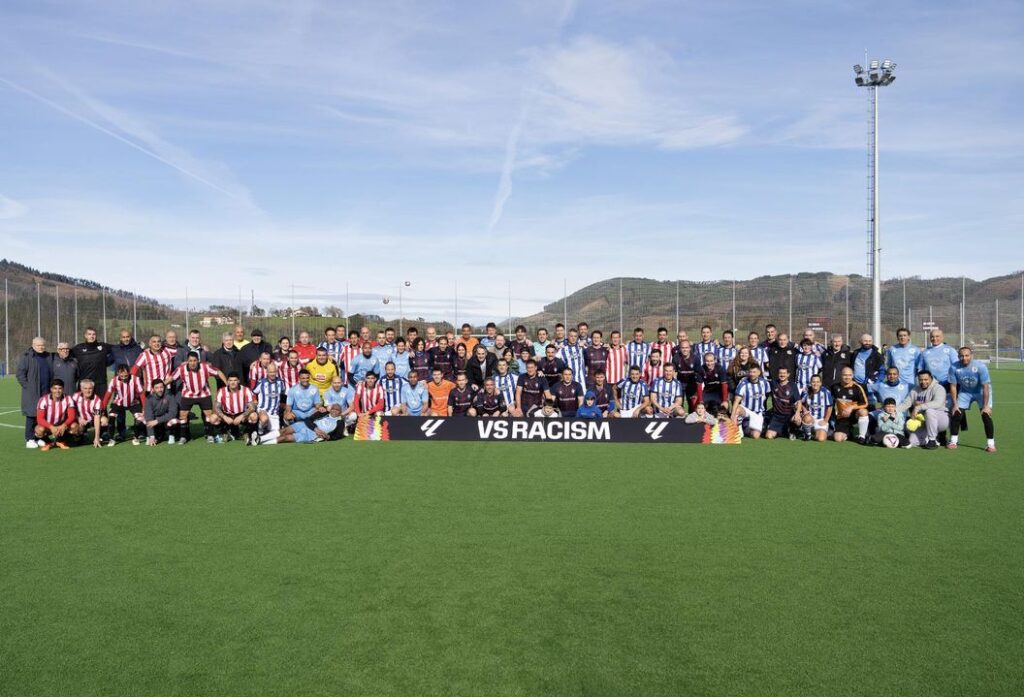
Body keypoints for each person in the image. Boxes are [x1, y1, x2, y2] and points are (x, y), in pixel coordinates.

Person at [172, 351, 227, 444]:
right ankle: (183, 437)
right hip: (188, 395)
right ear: (187, 361)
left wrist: (227, 384)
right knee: (183, 415)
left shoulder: (205, 367)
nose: (192, 363)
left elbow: (218, 372)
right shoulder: (181, 369)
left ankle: (210, 435)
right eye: (190, 361)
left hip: (204, 394)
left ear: (198, 361)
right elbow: (171, 378)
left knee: (209, 415)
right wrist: (162, 384)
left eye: (194, 360)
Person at [948, 346, 995, 452]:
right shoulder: (954, 367)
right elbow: (953, 386)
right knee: (956, 413)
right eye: (961, 356)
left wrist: (986, 406)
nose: (964, 358)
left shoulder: (980, 366)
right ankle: (953, 441)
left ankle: (991, 444)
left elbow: (986, 387)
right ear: (958, 356)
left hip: (981, 392)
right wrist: (955, 404)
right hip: (965, 392)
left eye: (967, 355)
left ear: (971, 356)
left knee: (986, 415)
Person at [17, 337, 53, 448]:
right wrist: (28, 387)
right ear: (33, 345)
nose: (41, 347)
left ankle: (39, 437)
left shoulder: (48, 356)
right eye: (38, 345)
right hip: (32, 392)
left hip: (46, 391)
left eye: (42, 345)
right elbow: (20, 374)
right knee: (31, 415)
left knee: (43, 415)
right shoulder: (27, 357)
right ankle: (30, 438)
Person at [898, 370, 949, 449]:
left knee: (929, 411)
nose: (923, 382)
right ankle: (932, 438)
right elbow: (905, 404)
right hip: (923, 422)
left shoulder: (939, 388)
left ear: (931, 378)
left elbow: (938, 403)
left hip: (941, 420)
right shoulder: (915, 390)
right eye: (921, 380)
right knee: (912, 441)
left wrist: (918, 407)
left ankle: (932, 440)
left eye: (926, 379)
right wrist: (892, 410)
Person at [102, 364, 145, 445]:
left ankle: (136, 437)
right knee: (111, 417)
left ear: (129, 372)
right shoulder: (114, 380)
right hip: (119, 403)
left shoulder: (135, 379)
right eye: (122, 376)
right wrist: (103, 409)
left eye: (126, 375)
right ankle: (111, 439)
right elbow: (108, 395)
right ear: (118, 373)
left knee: (140, 419)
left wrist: (144, 408)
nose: (124, 378)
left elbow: (141, 394)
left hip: (133, 403)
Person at [33, 379, 77, 450]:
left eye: (60, 388)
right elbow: (40, 419)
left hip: (61, 425)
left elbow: (72, 416)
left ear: (63, 389)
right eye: (55, 388)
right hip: (48, 426)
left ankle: (61, 441)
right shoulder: (43, 400)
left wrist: (64, 425)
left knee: (74, 426)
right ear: (51, 389)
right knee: (39, 430)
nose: (57, 391)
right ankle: (48, 442)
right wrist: (51, 427)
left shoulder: (68, 399)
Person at [71, 327, 114, 397]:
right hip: (84, 383)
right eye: (89, 334)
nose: (92, 336)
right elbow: (66, 354)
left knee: (101, 407)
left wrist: (107, 362)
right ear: (85, 335)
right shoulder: (78, 348)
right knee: (83, 406)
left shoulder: (103, 347)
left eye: (94, 334)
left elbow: (118, 349)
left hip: (100, 384)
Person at [831, 367, 870, 443]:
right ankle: (849, 433)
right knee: (837, 438)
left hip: (855, 416)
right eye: (845, 375)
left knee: (863, 412)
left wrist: (852, 407)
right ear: (841, 375)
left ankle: (862, 436)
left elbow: (865, 403)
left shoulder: (857, 387)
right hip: (842, 417)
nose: (847, 377)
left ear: (852, 376)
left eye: (849, 375)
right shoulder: (835, 387)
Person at [214, 373, 257, 441]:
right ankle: (225, 433)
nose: (232, 382)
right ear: (227, 382)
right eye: (230, 380)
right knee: (213, 418)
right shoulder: (221, 391)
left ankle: (246, 432)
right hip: (227, 414)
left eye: (235, 380)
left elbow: (253, 407)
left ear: (239, 381)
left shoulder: (246, 390)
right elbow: (216, 407)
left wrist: (242, 416)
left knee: (254, 416)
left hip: (241, 413)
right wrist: (224, 417)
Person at [731, 365, 770, 439]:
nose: (752, 374)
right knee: (737, 409)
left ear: (759, 373)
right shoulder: (743, 383)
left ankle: (748, 426)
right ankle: (739, 430)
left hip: (758, 413)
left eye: (754, 372)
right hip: (746, 410)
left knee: (755, 436)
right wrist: (732, 415)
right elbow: (737, 400)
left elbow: (767, 395)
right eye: (750, 372)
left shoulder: (764, 383)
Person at [765, 367, 803, 440]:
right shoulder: (773, 383)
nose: (782, 375)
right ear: (778, 374)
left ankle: (794, 430)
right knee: (768, 436)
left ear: (788, 374)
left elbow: (799, 401)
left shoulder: (793, 385)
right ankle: (784, 431)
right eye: (780, 373)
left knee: (797, 420)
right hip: (777, 416)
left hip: (789, 415)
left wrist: (797, 413)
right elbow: (761, 380)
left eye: (784, 373)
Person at [253, 362, 287, 439]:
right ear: (267, 372)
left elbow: (283, 392)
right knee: (264, 419)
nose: (272, 374)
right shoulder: (261, 382)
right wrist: (255, 401)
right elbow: (254, 392)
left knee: (276, 435)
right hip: (263, 409)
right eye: (270, 372)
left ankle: (267, 431)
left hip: (274, 413)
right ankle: (260, 432)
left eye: (274, 372)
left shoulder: (280, 382)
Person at [142, 379, 181, 446]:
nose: (160, 390)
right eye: (157, 388)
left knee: (174, 421)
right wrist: (152, 436)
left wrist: (158, 421)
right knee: (141, 421)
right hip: (155, 421)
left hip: (165, 420)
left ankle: (172, 434)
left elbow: (173, 413)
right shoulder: (149, 399)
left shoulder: (170, 396)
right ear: (153, 389)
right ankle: (150, 435)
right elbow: (149, 418)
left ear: (164, 387)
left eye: (161, 387)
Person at [71, 379, 108, 448]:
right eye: (85, 388)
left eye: (90, 388)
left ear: (93, 389)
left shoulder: (97, 401)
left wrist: (96, 437)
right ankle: (81, 436)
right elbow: (71, 411)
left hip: (93, 420)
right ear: (81, 389)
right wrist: (78, 418)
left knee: (104, 420)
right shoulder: (75, 397)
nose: (88, 391)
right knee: (74, 427)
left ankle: (100, 436)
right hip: (80, 421)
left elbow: (97, 418)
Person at [800, 374, 833, 442]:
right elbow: (800, 402)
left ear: (820, 383)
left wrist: (825, 420)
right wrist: (804, 409)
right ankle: (808, 434)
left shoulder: (826, 392)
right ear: (810, 382)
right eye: (813, 382)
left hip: (821, 420)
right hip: (810, 418)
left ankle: (816, 432)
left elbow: (830, 407)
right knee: (807, 417)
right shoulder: (806, 391)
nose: (815, 384)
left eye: (817, 382)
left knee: (821, 439)